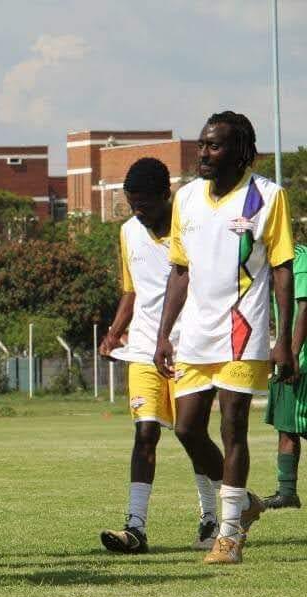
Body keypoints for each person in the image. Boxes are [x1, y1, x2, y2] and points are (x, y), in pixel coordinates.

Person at [154, 111, 294, 564]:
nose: (204, 154)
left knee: (233, 426)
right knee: (187, 427)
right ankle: (247, 501)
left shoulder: (267, 197)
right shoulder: (187, 197)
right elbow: (179, 271)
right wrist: (163, 335)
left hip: (243, 330)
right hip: (194, 332)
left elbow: (282, 271)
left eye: (214, 146)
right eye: (202, 145)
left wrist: (284, 339)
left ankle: (229, 533)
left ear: (240, 151)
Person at [97, 158, 222, 553]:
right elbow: (132, 291)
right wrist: (116, 332)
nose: (139, 212)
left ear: (165, 196)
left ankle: (213, 519)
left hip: (190, 348)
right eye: (132, 204)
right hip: (142, 349)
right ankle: (135, 527)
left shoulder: (193, 230)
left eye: (145, 204)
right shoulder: (128, 233)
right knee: (145, 432)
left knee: (191, 434)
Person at [263, 243, 307, 510]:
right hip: (286, 358)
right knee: (287, 426)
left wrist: (292, 353)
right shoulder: (277, 263)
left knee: (298, 424)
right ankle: (287, 491)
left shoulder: (299, 258)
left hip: (299, 359)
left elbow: (305, 308)